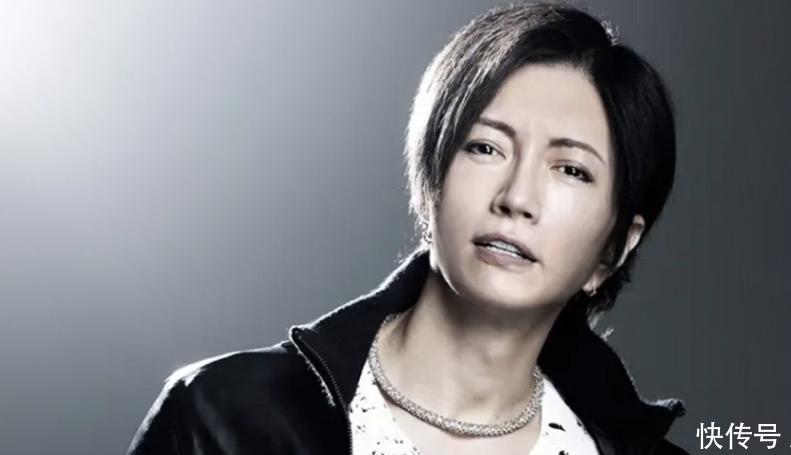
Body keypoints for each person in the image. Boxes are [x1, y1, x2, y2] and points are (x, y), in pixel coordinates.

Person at [127, 2, 687, 454]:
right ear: (431, 176)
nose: (517, 198)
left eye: (571, 170)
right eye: (486, 147)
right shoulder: (225, 418)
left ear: (614, 248)